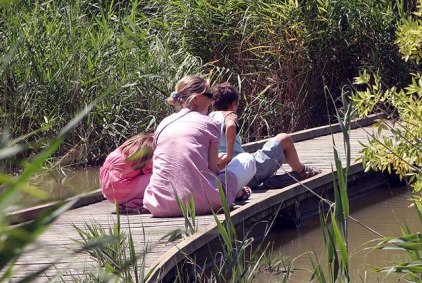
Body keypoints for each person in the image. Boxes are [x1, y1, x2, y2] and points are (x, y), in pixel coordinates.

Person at [143, 76, 256, 217]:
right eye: (209, 95)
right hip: (208, 203)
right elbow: (213, 170)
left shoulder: (163, 124)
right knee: (247, 159)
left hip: (160, 205)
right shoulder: (210, 124)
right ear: (195, 99)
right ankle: (237, 192)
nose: (211, 100)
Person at [209, 82, 321, 189]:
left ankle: (270, 177)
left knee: (263, 158)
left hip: (223, 177)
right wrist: (228, 156)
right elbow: (231, 125)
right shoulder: (228, 114)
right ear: (233, 104)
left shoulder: (207, 119)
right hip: (244, 172)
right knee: (284, 139)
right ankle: (302, 172)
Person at [100, 133, 154, 211]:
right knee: (156, 176)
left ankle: (128, 202)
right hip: (119, 192)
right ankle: (132, 203)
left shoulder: (126, 148)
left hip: (108, 193)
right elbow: (150, 169)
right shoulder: (147, 148)